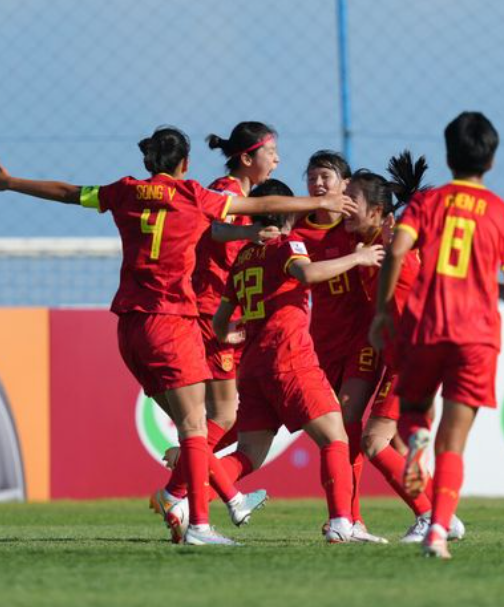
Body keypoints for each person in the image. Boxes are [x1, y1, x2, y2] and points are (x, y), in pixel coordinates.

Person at [0, 126, 356, 546]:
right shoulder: (195, 195)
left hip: (128, 326)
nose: (278, 158)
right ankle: (198, 518)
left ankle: (207, 494)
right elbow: (262, 205)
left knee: (202, 426)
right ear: (185, 164)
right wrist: (320, 202)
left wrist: (11, 183)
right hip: (172, 319)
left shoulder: (124, 191)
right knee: (201, 425)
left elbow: (68, 192)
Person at [369, 112, 504, 558]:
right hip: (476, 337)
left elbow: (395, 252)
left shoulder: (427, 204)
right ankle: (438, 531)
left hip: (426, 326)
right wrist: (485, 284)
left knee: (414, 415)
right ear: (491, 160)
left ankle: (415, 439)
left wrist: (382, 312)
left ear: (448, 155)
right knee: (454, 444)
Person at [212, 178, 386, 542]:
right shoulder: (288, 244)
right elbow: (306, 273)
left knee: (248, 454)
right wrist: (358, 257)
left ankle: (184, 496)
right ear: (287, 211)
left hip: (253, 368)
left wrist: (227, 336)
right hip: (289, 359)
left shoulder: (243, 257)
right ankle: (342, 523)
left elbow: (220, 320)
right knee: (335, 437)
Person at [151, 122, 281, 530]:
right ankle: (180, 488)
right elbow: (213, 228)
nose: (277, 160)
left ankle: (182, 474)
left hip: (222, 312)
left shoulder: (242, 195)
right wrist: (252, 232)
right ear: (247, 157)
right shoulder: (225, 191)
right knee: (222, 415)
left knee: (223, 416)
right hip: (209, 311)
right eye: (271, 152)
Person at [343, 153, 466, 544]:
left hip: (415, 358)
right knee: (398, 443)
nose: (343, 206)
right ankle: (443, 516)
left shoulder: (394, 244)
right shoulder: (372, 245)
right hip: (404, 357)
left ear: (378, 211)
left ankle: (430, 517)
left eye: (351, 199)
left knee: (373, 441)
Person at [289, 151, 386, 542]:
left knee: (347, 422)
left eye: (325, 177)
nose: (317, 184)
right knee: (334, 434)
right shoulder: (297, 228)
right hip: (319, 343)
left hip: (363, 339)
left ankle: (350, 518)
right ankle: (345, 517)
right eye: (311, 177)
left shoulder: (359, 226)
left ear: (346, 184)